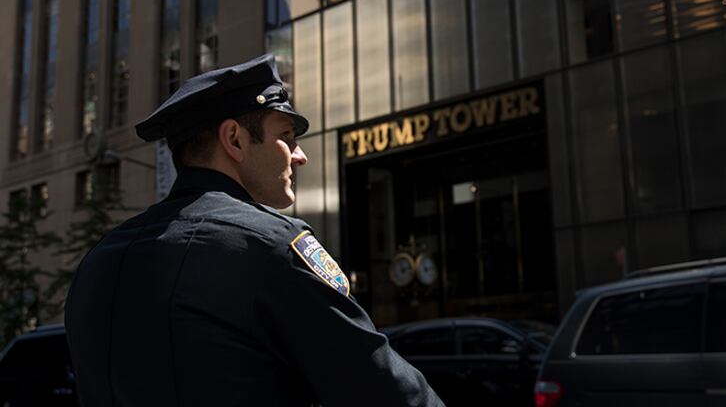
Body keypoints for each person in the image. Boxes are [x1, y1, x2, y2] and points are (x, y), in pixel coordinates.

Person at [65, 54, 444, 407]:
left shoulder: (98, 260)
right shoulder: (271, 248)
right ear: (234, 139)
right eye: (287, 137)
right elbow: (388, 394)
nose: (300, 155)